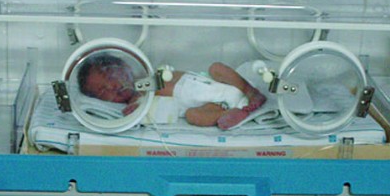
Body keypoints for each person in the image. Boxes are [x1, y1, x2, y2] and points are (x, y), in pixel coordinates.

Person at [77, 54, 266, 130]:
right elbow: (149, 113)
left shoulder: (149, 74)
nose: (111, 87)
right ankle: (232, 114)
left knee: (216, 67)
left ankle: (250, 91)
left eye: (109, 77)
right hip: (211, 105)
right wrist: (135, 112)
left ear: (125, 67)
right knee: (193, 116)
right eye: (102, 91)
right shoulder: (139, 101)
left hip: (220, 83)